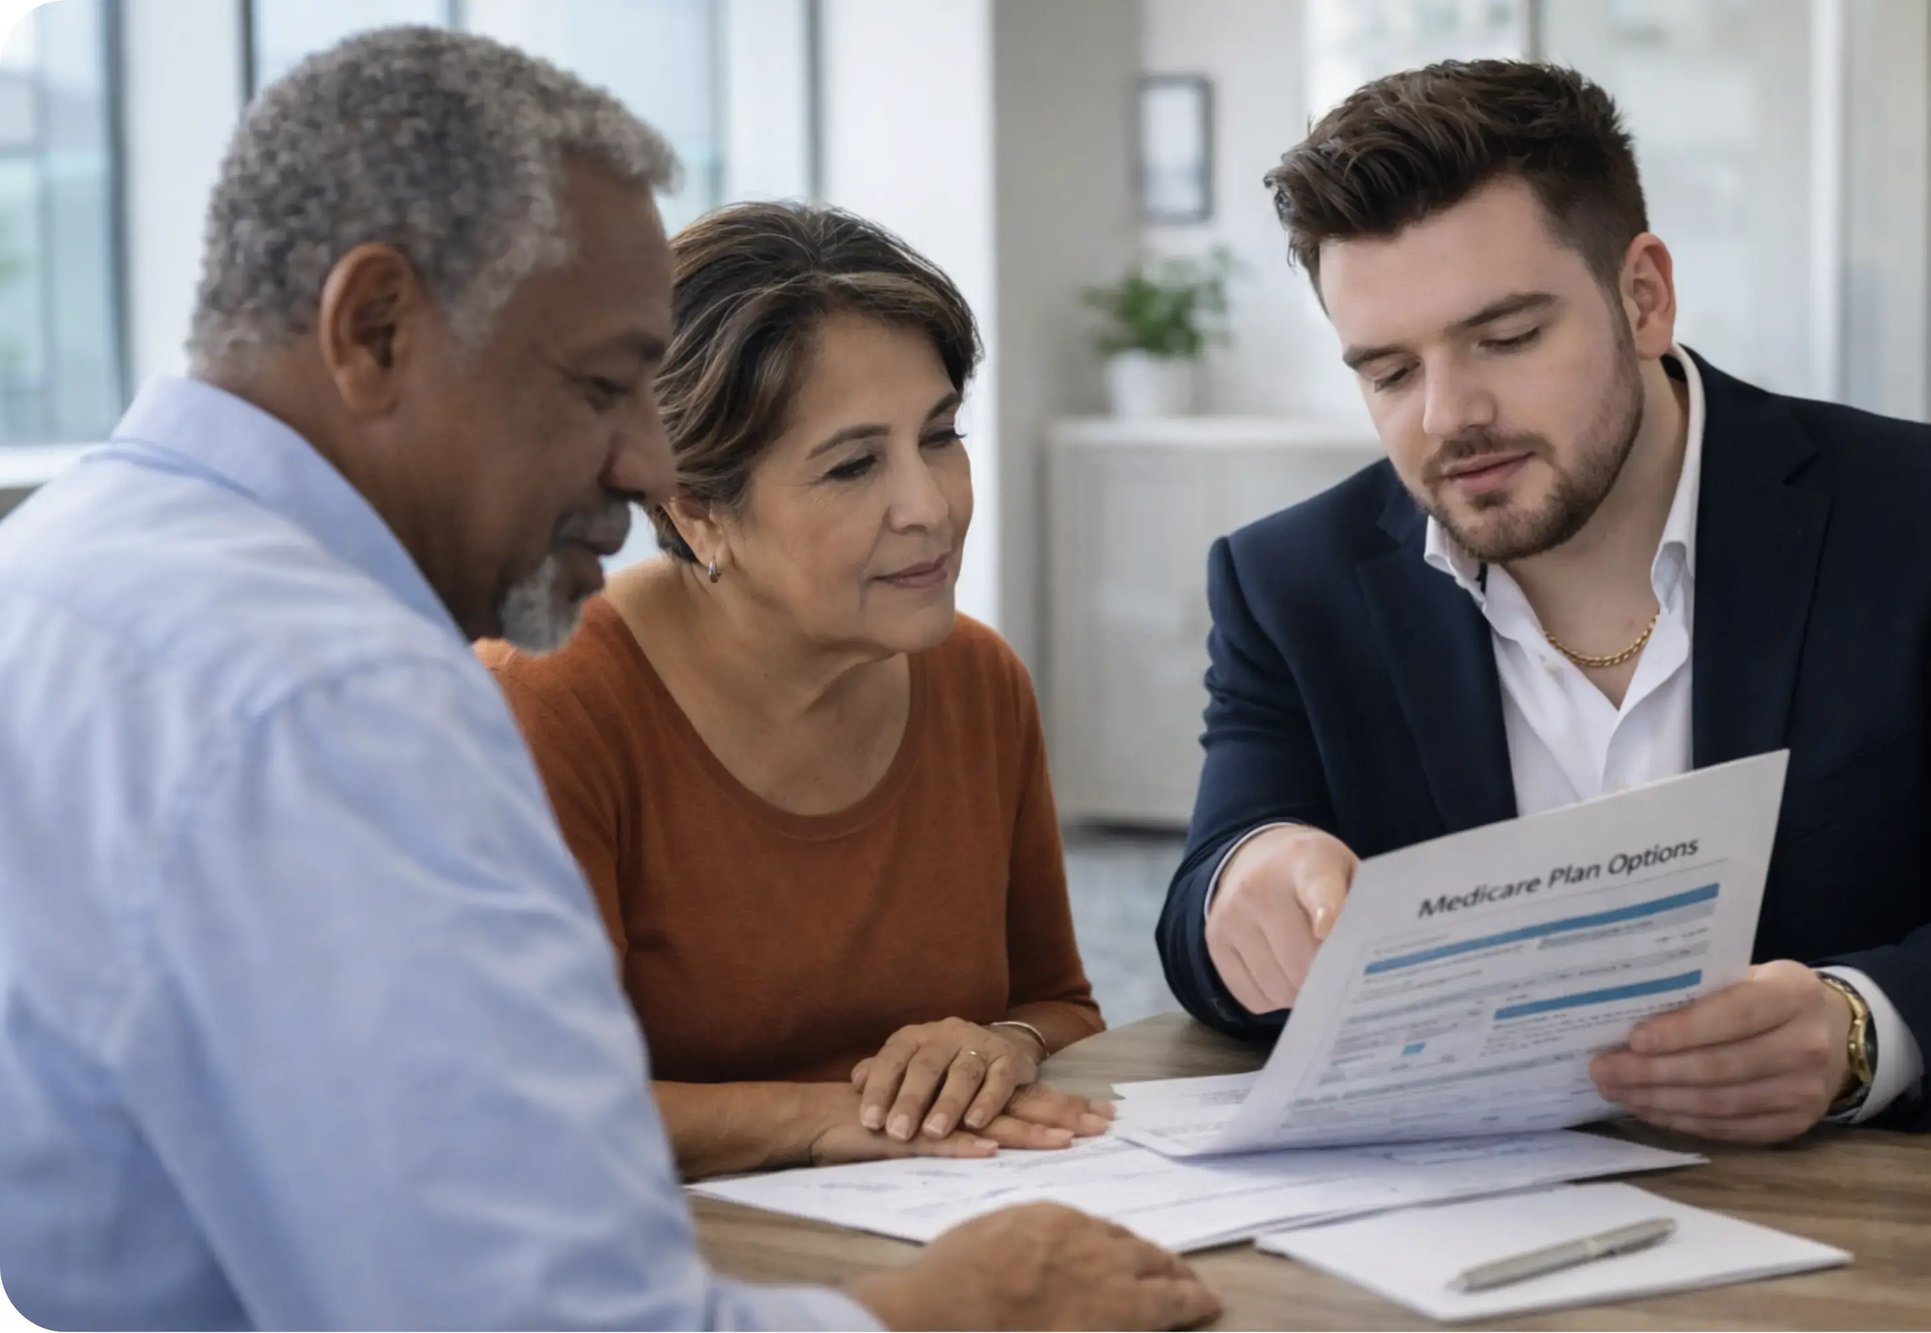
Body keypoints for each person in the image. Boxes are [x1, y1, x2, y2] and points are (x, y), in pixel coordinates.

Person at [0, 27, 1218, 1332]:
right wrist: (952, 1311)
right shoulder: (341, 699)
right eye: (598, 387)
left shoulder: (60, 568)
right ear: (375, 329)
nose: (646, 469)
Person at [1157, 58, 1931, 1143]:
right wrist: (1247, 884)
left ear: (1641, 296)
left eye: (1504, 339)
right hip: (1457, 1241)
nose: (1448, 416)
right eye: (1386, 373)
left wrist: (1859, 1030)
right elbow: (1196, 914)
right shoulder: (1288, 584)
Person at [479, 201, 1112, 1178]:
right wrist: (830, 1117)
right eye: (853, 465)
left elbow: (1059, 1003)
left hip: (921, 1224)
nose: (929, 506)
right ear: (697, 513)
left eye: (938, 436)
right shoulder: (548, 701)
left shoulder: (978, 678)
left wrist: (1001, 1045)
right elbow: (524, 1110)